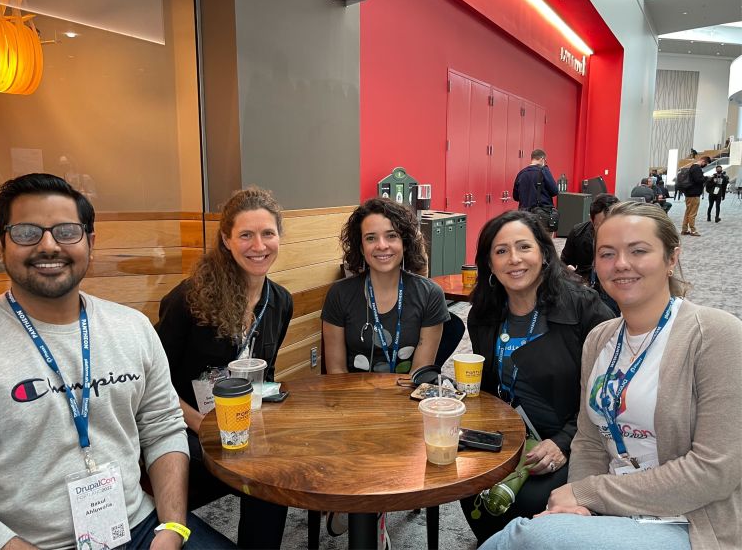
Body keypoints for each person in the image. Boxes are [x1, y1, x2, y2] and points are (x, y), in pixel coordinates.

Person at [0, 173, 231, 550]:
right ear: (1, 244)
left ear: (89, 243)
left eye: (66, 231)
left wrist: (173, 529)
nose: (48, 245)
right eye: (27, 232)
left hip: (140, 526)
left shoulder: (132, 328)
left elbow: (163, 428)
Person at [478, 201, 742, 550]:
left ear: (671, 258)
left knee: (523, 538)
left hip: (689, 521)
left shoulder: (715, 334)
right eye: (607, 253)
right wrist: (578, 507)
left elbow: (714, 471)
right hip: (613, 511)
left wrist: (587, 492)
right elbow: (589, 441)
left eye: (638, 250)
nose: (621, 264)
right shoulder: (601, 340)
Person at [459, 211, 615, 546]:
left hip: (576, 441)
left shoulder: (585, 309)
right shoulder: (484, 315)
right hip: (508, 436)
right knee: (469, 481)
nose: (513, 260)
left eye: (523, 247)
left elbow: (609, 395)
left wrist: (562, 442)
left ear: (544, 253)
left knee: (532, 500)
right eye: (500, 251)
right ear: (489, 263)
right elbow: (487, 388)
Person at [156, 186, 293, 549]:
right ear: (226, 239)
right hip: (185, 426)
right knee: (259, 466)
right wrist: (202, 425)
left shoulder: (280, 302)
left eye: (267, 233)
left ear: (279, 236)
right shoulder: (187, 300)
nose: (258, 245)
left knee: (274, 470)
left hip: (242, 424)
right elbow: (152, 386)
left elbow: (265, 377)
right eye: (245, 235)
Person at [322, 197, 449, 375]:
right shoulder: (339, 294)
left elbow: (419, 374)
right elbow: (336, 370)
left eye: (391, 236)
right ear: (361, 247)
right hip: (352, 399)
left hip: (406, 399)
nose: (382, 245)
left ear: (405, 243)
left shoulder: (429, 295)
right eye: (371, 238)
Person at [560, 193, 619, 281]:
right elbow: (564, 263)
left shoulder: (628, 236)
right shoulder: (578, 233)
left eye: (614, 224)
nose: (609, 230)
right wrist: (570, 272)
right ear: (591, 220)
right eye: (602, 225)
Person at [512, 149, 558, 219]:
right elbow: (555, 191)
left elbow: (515, 197)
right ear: (542, 159)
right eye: (545, 161)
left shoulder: (521, 173)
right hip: (541, 215)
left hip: (524, 215)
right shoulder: (544, 171)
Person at [680, 155, 710, 236]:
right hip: (694, 194)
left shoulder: (692, 167)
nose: (705, 165)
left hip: (689, 193)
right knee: (693, 213)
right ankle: (693, 230)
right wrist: (706, 178)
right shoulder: (697, 168)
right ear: (703, 161)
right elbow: (698, 180)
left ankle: (684, 229)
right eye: (706, 163)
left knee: (688, 212)